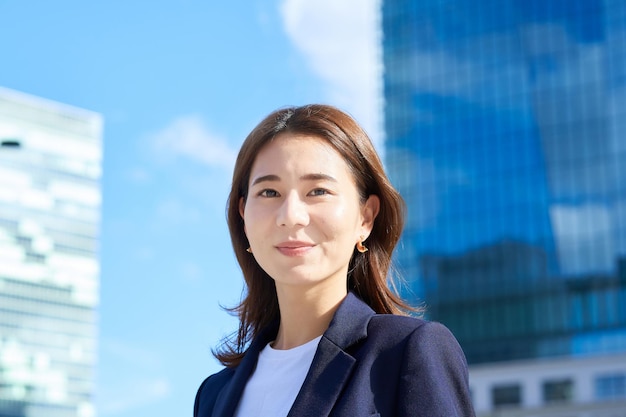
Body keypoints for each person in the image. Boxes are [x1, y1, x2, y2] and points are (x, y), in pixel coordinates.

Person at [194, 104, 475, 417]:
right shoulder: (213, 394)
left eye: (318, 190)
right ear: (243, 215)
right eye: (270, 192)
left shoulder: (406, 352)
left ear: (366, 218)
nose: (291, 216)